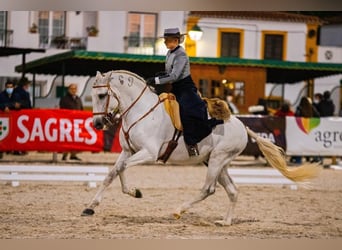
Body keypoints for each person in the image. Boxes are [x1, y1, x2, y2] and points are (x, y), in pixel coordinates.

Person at [145, 27, 223, 157]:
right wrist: (162, 75)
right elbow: (170, 73)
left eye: (167, 40)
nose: (165, 43)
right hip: (175, 87)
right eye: (165, 40)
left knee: (189, 111)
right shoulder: (170, 53)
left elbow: (175, 75)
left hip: (185, 87)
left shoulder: (181, 54)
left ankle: (192, 142)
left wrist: (157, 80)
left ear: (176, 40)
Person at [291, 96, 320, 164]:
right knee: (311, 144)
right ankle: (315, 158)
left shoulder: (299, 108)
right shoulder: (311, 108)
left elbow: (296, 116)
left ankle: (298, 160)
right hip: (310, 129)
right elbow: (318, 115)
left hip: (301, 129)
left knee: (300, 144)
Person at [59, 83, 84, 161]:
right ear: (68, 90)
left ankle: (73, 154)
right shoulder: (64, 99)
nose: (73, 90)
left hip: (77, 123)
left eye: (75, 89)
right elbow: (62, 110)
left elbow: (81, 109)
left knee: (76, 138)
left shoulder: (78, 98)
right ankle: (65, 154)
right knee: (67, 138)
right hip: (67, 122)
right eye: (72, 89)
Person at [0, 80, 21, 159]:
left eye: (11, 87)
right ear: (5, 87)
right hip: (3, 120)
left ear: (13, 87)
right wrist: (4, 107)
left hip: (14, 119)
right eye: (8, 87)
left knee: (14, 134)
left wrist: (15, 106)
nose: (9, 88)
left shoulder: (16, 95)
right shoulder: (1, 95)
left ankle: (15, 149)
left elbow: (19, 104)